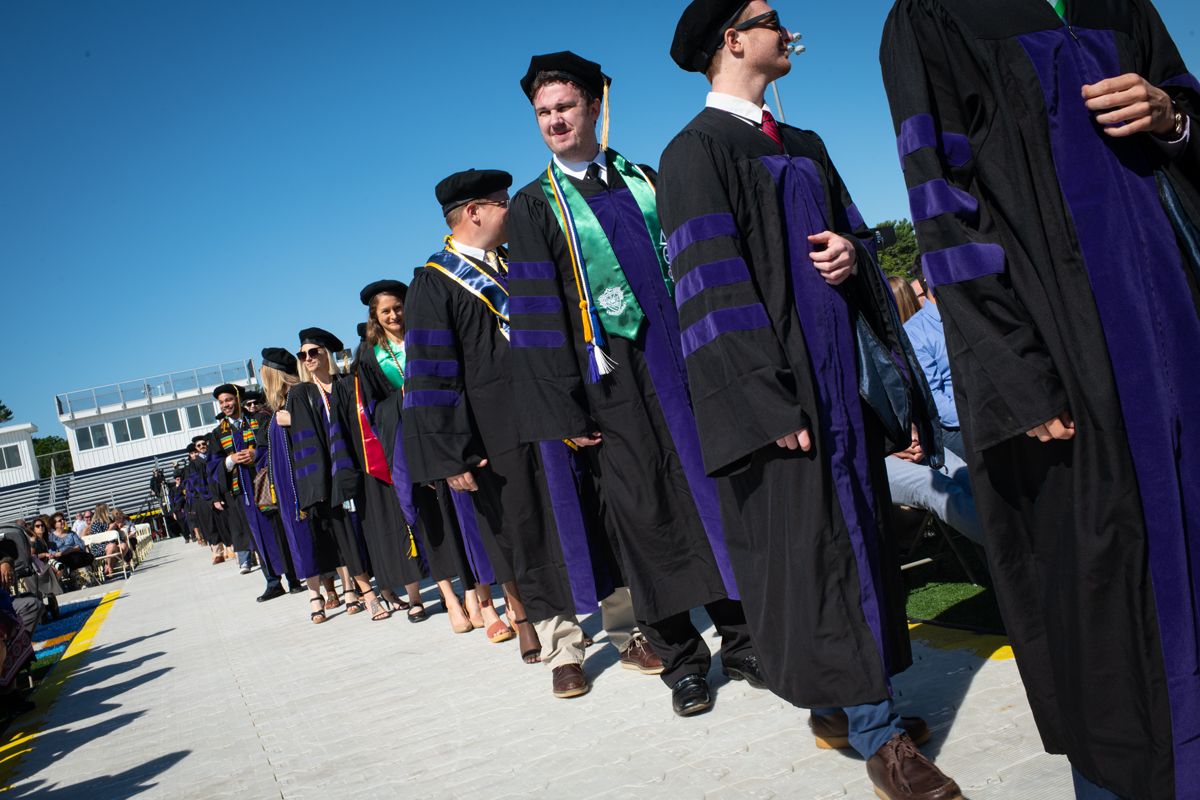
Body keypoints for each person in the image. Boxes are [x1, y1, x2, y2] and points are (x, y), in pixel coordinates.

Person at [880, 1, 1199, 796]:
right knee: (1104, 593)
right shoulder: (932, 16)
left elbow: (1187, 109)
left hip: (1181, 328)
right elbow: (941, 206)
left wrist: (1172, 117)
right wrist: (1016, 371)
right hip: (1067, 357)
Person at [659, 2, 957, 798]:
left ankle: (842, 709)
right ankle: (880, 738)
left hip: (839, 391)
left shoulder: (805, 143)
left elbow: (861, 244)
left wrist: (852, 253)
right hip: (784, 398)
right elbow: (709, 294)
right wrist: (765, 399)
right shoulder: (694, 152)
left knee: (856, 544)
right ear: (732, 40)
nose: (785, 28)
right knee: (817, 555)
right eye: (769, 17)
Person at [507, 51, 746, 713]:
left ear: (594, 107)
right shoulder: (534, 207)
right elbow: (536, 319)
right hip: (610, 392)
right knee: (646, 521)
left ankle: (743, 637)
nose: (555, 120)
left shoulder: (646, 180)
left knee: (714, 498)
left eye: (565, 107)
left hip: (685, 373)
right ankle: (683, 662)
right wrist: (564, 411)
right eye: (543, 112)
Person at [406, 168, 642, 690]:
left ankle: (628, 632)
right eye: (503, 202)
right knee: (530, 535)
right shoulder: (435, 283)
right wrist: (452, 454)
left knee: (599, 519)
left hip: (562, 418)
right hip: (502, 438)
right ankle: (563, 651)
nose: (512, 210)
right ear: (474, 212)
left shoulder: (523, 262)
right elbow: (431, 376)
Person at [355, 283, 509, 635]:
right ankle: (451, 598)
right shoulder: (369, 356)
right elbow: (373, 410)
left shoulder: (424, 337)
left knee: (463, 516)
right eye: (385, 311)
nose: (394, 315)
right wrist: (402, 399)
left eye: (398, 307)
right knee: (430, 523)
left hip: (441, 436)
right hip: (407, 444)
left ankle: (476, 595)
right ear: (375, 317)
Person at [283, 332, 396, 621]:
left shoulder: (347, 383)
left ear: (326, 354)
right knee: (347, 537)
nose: (308, 358)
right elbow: (306, 442)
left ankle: (386, 587)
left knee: (371, 531)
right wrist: (318, 487)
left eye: (313, 352)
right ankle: (368, 594)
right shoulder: (302, 394)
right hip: (332, 478)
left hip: (363, 467)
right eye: (303, 355)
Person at [886, 279, 983, 546]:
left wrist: (911, 430)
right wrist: (888, 447)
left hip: (911, 442)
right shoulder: (916, 333)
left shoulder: (876, 353)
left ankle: (1028, 541)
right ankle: (1015, 554)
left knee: (968, 475)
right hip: (875, 457)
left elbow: (902, 403)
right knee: (936, 487)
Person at [206, 384, 300, 602]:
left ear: (238, 399)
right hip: (243, 493)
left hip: (266, 485)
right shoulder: (218, 433)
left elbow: (275, 443)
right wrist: (230, 460)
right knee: (258, 537)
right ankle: (273, 583)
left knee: (279, 531)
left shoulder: (259, 420)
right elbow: (212, 466)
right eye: (221, 402)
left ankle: (293, 579)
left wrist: (256, 453)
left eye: (229, 399)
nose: (226, 405)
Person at [184, 436, 231, 563]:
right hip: (205, 499)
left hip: (220, 496)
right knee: (211, 526)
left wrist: (218, 495)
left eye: (203, 444)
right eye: (198, 445)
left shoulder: (214, 458)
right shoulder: (194, 464)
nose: (202, 446)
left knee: (225, 523)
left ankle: (230, 549)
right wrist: (211, 498)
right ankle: (218, 553)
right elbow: (197, 483)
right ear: (196, 448)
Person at [47, 513, 94, 586]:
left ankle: (75, 578)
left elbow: (81, 545)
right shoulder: (51, 537)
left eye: (63, 519)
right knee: (78, 559)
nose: (63, 521)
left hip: (75, 554)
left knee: (87, 557)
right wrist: (60, 553)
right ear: (54, 524)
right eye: (60, 520)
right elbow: (51, 551)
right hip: (62, 557)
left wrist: (71, 549)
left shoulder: (71, 533)